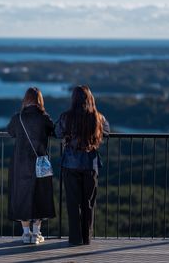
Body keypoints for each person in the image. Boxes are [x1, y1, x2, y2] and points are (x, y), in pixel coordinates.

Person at [55, 85, 110, 246]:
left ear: (74, 99)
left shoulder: (66, 117)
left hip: (71, 164)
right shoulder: (98, 117)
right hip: (90, 164)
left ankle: (75, 239)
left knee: (73, 203)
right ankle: (87, 238)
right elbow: (106, 131)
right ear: (90, 98)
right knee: (88, 203)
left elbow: (57, 132)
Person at [7, 87, 56, 244]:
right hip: (39, 164)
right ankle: (36, 233)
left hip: (20, 164)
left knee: (22, 196)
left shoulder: (18, 118)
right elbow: (54, 131)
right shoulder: (44, 117)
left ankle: (26, 233)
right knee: (40, 195)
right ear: (39, 100)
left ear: (26, 99)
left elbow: (10, 132)